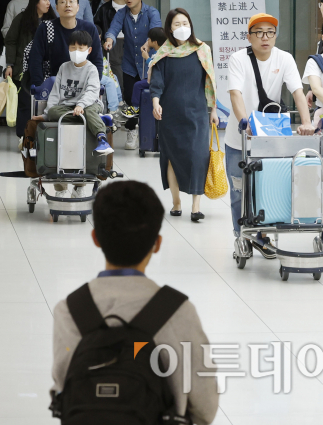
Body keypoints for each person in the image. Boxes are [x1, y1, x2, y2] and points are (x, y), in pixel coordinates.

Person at [50, 180, 218, 425]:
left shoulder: (70, 310)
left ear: (95, 238)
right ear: (157, 244)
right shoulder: (177, 311)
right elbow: (205, 407)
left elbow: (64, 388)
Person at [225, 13, 315, 258]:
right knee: (239, 190)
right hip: (240, 137)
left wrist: (306, 123)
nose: (265, 37)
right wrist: (245, 123)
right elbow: (235, 94)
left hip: (268, 137)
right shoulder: (237, 59)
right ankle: (241, 233)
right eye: (259, 32)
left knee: (266, 187)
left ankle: (262, 236)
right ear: (249, 36)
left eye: (270, 32)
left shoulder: (284, 58)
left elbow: (298, 91)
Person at [149, 9, 219, 221]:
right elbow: (157, 83)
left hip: (197, 113)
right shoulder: (164, 53)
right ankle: (176, 202)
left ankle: (196, 206)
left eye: (185, 23)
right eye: (177, 24)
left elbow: (210, 82)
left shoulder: (202, 50)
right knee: (172, 159)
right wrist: (155, 103)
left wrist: (213, 109)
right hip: (170, 114)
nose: (182, 28)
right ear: (169, 28)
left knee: (199, 157)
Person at [104, 0, 162, 151]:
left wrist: (148, 43)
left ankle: (151, 134)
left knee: (151, 99)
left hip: (150, 64)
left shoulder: (151, 12)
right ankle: (131, 130)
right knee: (131, 100)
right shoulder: (122, 13)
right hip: (130, 63)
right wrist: (109, 40)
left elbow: (156, 31)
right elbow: (113, 30)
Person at [40, 29, 113, 163]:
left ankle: (102, 139)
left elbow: (92, 91)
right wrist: (46, 115)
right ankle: (95, 120)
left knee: (89, 111)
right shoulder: (64, 67)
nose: (76, 51)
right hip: (68, 108)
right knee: (53, 112)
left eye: (80, 48)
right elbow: (55, 93)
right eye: (73, 48)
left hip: (89, 104)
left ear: (89, 50)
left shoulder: (91, 69)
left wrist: (81, 105)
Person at [26, 0, 104, 101]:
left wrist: (94, 85)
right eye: (62, 2)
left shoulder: (89, 28)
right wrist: (40, 88)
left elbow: (97, 60)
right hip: (53, 87)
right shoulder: (46, 28)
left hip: (83, 87)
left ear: (78, 7)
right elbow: (35, 59)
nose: (67, 5)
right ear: (56, 7)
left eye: (71, 1)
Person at [4, 0, 51, 131]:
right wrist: (10, 64)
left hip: (45, 68)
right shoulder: (22, 18)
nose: (48, 3)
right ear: (36, 2)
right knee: (25, 102)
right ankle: (23, 135)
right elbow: (10, 41)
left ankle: (40, 133)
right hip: (23, 67)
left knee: (44, 102)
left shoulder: (52, 20)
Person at [93, 0, 128, 77]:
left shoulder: (134, 8)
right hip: (112, 44)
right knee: (117, 76)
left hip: (131, 43)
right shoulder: (104, 9)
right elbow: (97, 25)